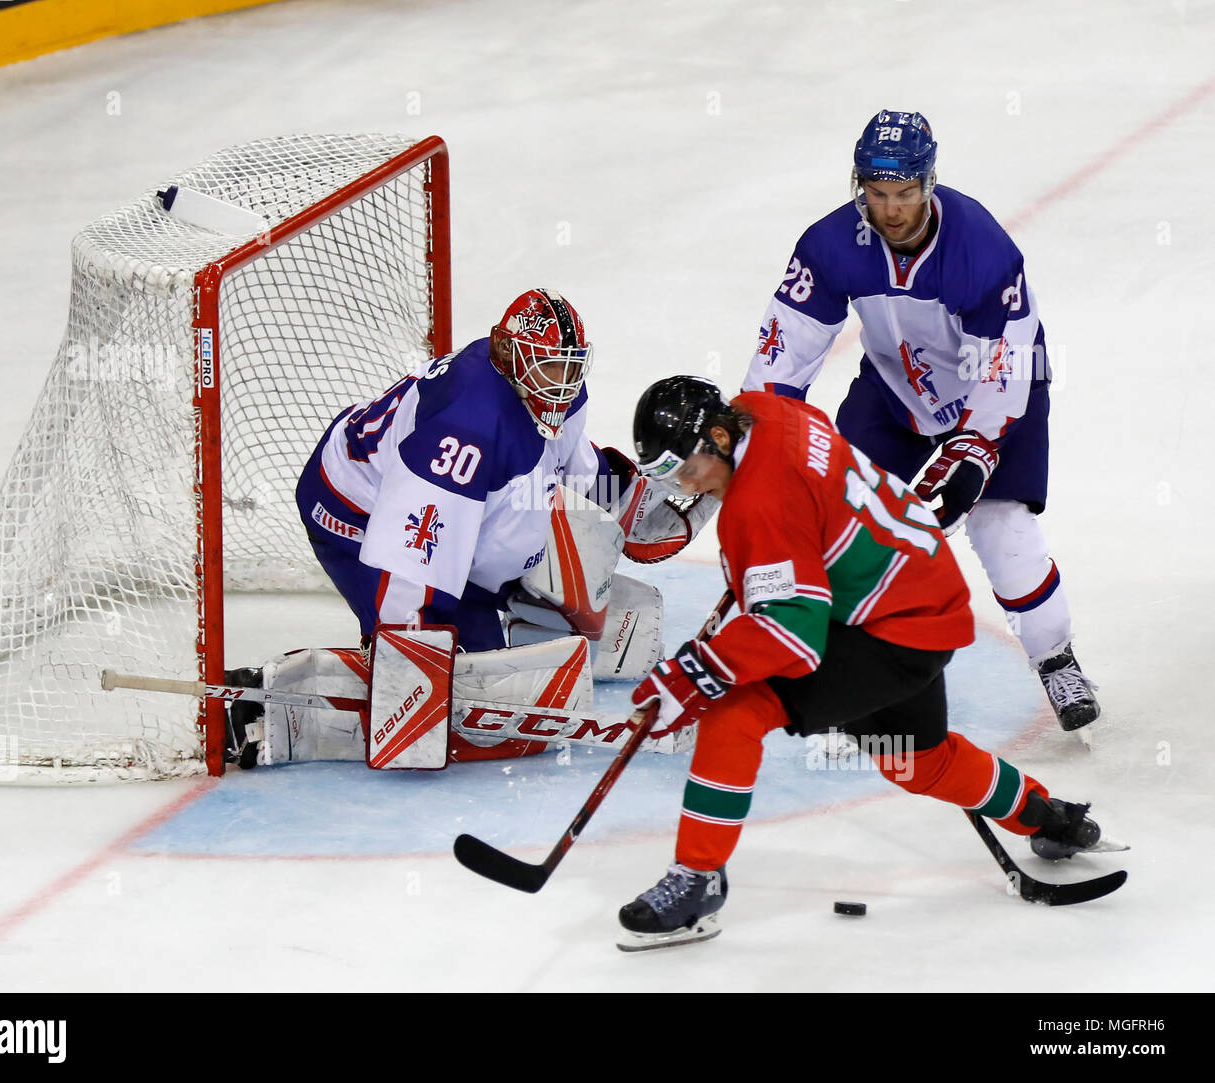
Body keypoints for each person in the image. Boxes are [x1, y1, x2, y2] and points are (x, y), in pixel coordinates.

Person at [616, 376, 1114, 950]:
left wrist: (698, 672)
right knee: (916, 761)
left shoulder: (757, 508)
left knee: (733, 712)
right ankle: (1046, 817)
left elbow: (791, 638)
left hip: (890, 631)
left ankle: (697, 881)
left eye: (685, 467)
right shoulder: (768, 412)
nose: (683, 483)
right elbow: (813, 490)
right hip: (924, 595)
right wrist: (777, 565)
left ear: (721, 438)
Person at [224, 288, 707, 767]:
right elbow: (411, 558)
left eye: (570, 365)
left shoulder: (556, 391)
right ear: (504, 349)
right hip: (357, 513)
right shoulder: (464, 429)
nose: (561, 382)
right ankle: (264, 703)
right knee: (452, 689)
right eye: (548, 366)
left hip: (452, 516)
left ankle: (471, 620)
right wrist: (414, 664)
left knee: (488, 651)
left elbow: (571, 465)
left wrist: (641, 497)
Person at [741, 109, 1098, 732]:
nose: (892, 210)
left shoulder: (982, 250)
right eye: (877, 194)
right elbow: (784, 355)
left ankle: (1056, 656)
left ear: (929, 183)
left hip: (996, 395)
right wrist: (759, 441)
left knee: (1000, 528)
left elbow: (1002, 373)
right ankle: (841, 669)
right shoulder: (830, 245)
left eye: (905, 193)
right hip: (893, 393)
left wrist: (971, 457)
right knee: (838, 520)